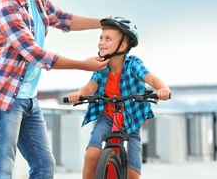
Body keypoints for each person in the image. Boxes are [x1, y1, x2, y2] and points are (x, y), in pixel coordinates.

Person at [0, 0, 110, 179]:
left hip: (29, 98)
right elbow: (35, 54)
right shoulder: (7, 7)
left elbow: (61, 18)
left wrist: (104, 23)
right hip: (7, 98)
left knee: (45, 165)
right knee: (1, 168)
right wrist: (84, 65)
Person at [67, 16, 171, 179]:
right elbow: (90, 86)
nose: (101, 42)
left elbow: (151, 78)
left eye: (108, 39)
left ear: (123, 45)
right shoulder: (101, 67)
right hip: (107, 118)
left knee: (132, 173)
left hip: (131, 121)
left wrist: (162, 88)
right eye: (101, 38)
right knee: (92, 155)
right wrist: (79, 94)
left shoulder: (133, 64)